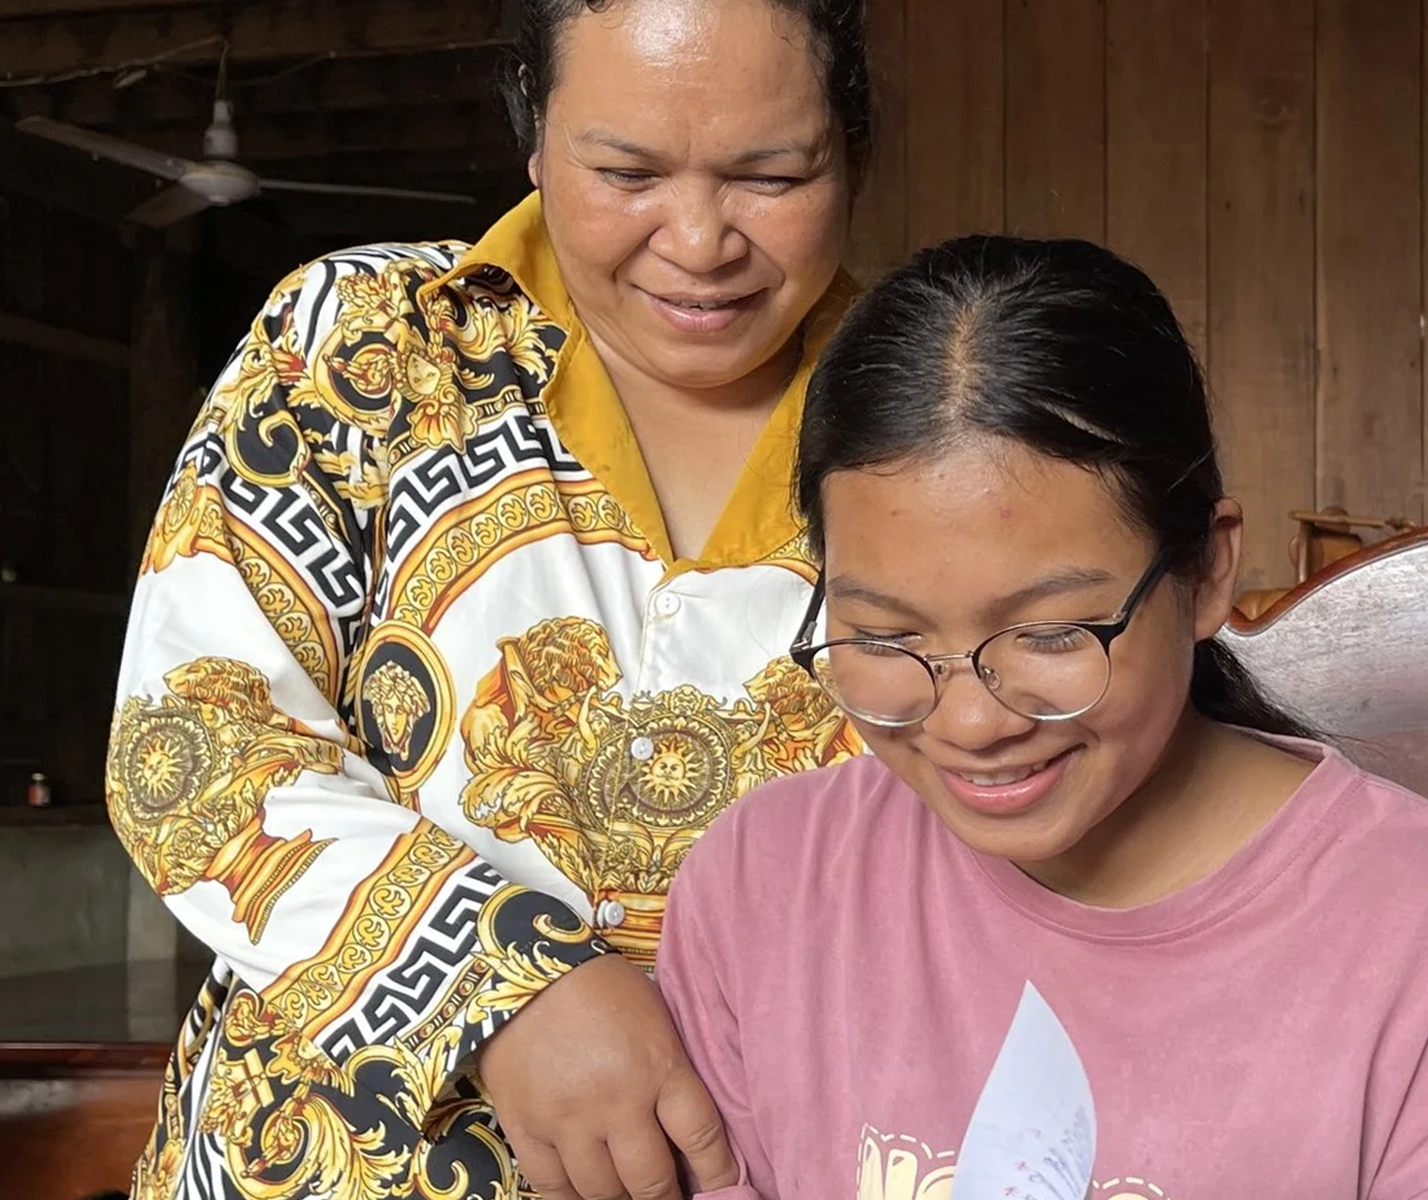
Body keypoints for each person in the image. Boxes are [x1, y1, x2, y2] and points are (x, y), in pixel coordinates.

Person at [653, 235, 1428, 1198]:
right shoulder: (763, 892)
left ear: (1207, 571)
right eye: (882, 637)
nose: (967, 720)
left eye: (1048, 633)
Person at [102, 1, 871, 1196]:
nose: (699, 239)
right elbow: (191, 746)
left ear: (852, 152)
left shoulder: (925, 414)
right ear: (533, 137)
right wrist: (502, 982)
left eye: (769, 174)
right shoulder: (366, 346)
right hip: (319, 1160)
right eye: (625, 171)